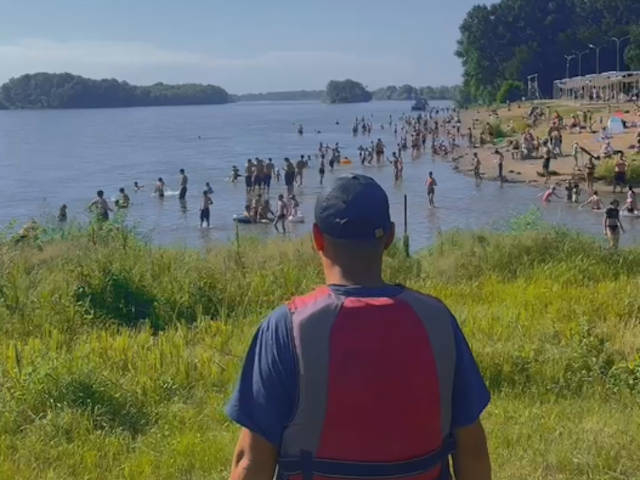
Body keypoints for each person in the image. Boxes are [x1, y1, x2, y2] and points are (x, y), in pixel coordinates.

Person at [227, 174, 491, 480]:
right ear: (389, 238)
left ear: (317, 239)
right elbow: (472, 450)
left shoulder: (287, 327)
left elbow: (250, 462)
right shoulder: (437, 320)